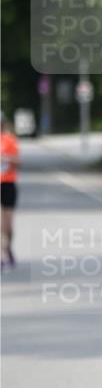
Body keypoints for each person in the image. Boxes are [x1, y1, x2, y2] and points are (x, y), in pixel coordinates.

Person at [1, 112, 20, 270]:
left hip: (8, 183)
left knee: (8, 224)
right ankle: (1, 254)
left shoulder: (10, 140)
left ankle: (8, 247)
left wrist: (6, 157)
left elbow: (18, 161)